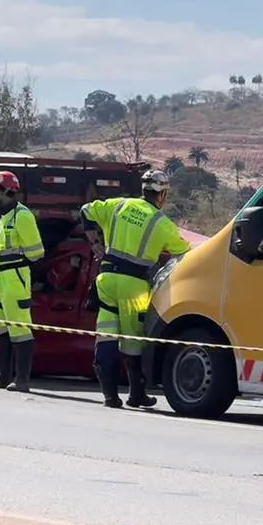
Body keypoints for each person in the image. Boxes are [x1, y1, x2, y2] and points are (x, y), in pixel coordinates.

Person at [81, 169, 191, 409]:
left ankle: (110, 397)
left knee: (106, 339)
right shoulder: (162, 223)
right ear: (162, 195)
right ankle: (136, 395)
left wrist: (95, 244)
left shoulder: (118, 205)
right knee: (133, 343)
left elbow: (86, 211)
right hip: (135, 288)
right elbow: (185, 254)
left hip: (106, 280)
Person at [0, 170, 44, 392]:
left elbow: (36, 253)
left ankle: (22, 379)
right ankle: (2, 375)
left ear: (7, 191)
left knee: (19, 328)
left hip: (15, 277)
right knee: (0, 327)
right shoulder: (4, 216)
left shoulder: (22, 216)